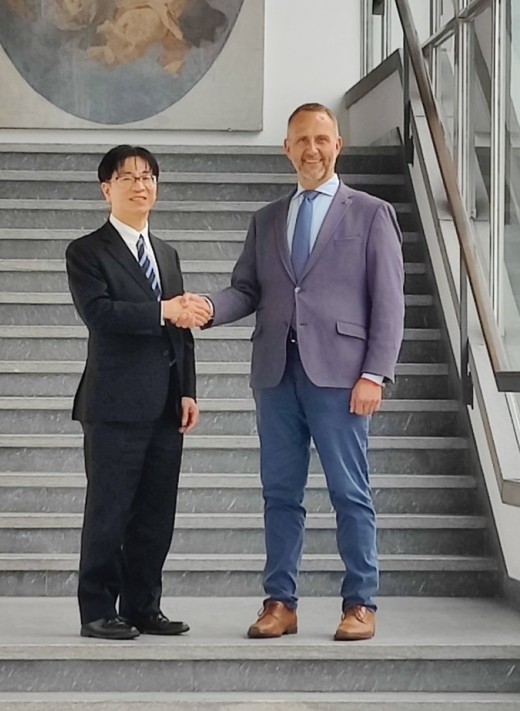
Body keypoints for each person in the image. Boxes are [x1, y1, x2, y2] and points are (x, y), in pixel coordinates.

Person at [189, 104, 405, 641]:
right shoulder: (266, 219)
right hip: (276, 373)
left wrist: (375, 373)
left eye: (321, 139)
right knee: (279, 493)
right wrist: (209, 309)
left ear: (338, 144)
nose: (312, 149)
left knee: (349, 492)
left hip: (341, 376)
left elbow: (390, 302)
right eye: (301, 140)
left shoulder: (371, 213)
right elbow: (247, 290)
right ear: (287, 149)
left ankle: (361, 603)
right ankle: (279, 602)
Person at [65, 145, 211, 640]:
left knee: (155, 513)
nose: (139, 184)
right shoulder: (86, 251)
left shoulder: (166, 253)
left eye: (147, 176)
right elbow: (100, 315)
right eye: (127, 177)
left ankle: (144, 604)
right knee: (110, 510)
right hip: (113, 405)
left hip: (166, 405)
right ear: (106, 188)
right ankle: (98, 611)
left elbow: (182, 328)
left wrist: (187, 389)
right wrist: (163, 311)